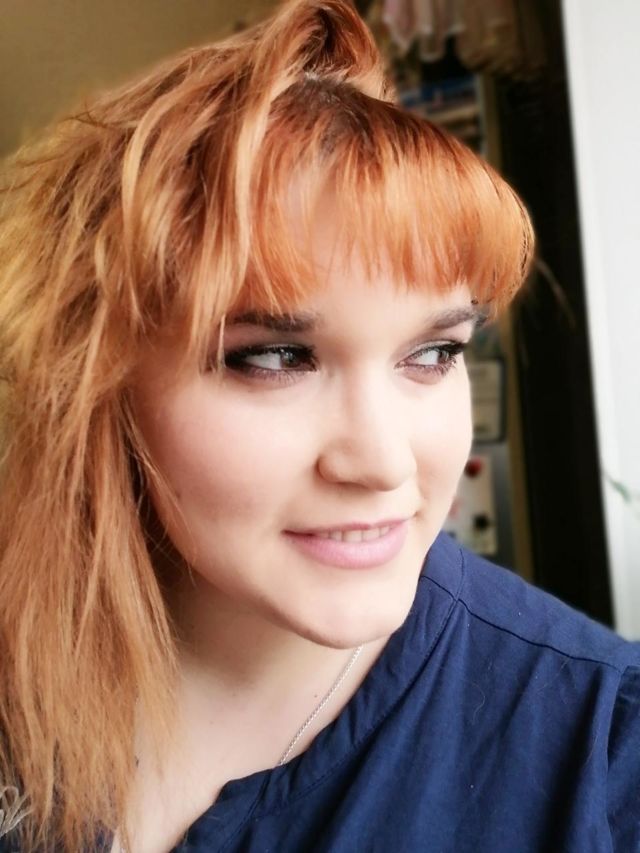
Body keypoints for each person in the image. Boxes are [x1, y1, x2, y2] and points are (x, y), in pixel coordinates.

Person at [0, 0, 638, 850]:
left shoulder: (606, 760)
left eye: (433, 353)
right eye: (275, 357)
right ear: (90, 376)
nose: (383, 461)